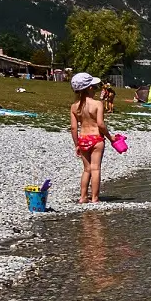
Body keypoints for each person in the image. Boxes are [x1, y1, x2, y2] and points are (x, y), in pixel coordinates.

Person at [68, 72, 111, 203]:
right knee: (95, 168)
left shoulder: (74, 107)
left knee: (86, 170)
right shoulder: (97, 104)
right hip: (96, 138)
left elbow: (74, 128)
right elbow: (101, 124)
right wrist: (110, 137)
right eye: (95, 86)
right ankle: (94, 198)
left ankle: (82, 197)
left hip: (83, 139)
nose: (96, 89)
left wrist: (77, 144)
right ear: (90, 88)